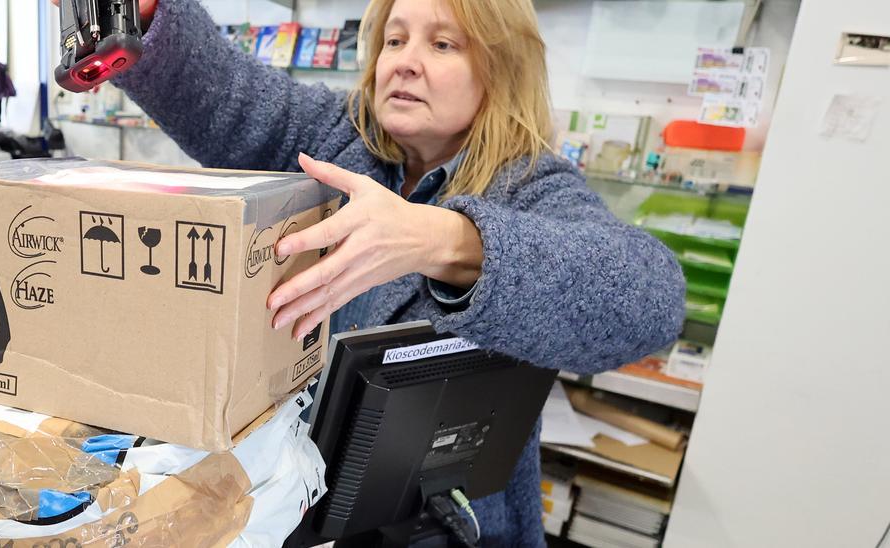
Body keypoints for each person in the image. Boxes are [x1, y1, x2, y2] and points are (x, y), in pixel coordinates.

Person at [94, 0, 685, 543]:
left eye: (443, 45)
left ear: (501, 69)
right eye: (395, 41)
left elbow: (650, 297)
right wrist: (144, 17)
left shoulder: (531, 187)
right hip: (289, 498)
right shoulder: (344, 141)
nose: (404, 63)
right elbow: (229, 96)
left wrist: (447, 241)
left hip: (440, 527)